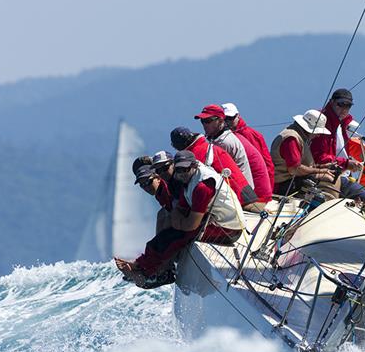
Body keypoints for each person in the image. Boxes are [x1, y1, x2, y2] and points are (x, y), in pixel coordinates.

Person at [115, 151, 246, 287]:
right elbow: (179, 211)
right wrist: (180, 222)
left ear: (194, 165)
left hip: (228, 230)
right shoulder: (185, 180)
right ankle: (140, 267)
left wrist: (180, 223)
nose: (181, 172)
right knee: (166, 236)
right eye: (179, 169)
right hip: (210, 222)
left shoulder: (202, 186)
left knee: (174, 238)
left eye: (185, 169)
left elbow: (189, 225)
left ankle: (147, 272)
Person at [170, 126, 262, 210]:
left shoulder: (194, 156)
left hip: (236, 199)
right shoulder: (207, 147)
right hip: (245, 193)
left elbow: (195, 185)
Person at [271, 109, 336, 196]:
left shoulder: (299, 137)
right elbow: (294, 169)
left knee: (333, 178)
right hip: (282, 184)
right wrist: (320, 171)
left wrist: (322, 167)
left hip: (290, 180)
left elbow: (298, 166)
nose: (318, 135)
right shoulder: (291, 138)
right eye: (317, 132)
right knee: (328, 179)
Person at [310, 88, 364, 175]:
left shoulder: (342, 124)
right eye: (341, 104)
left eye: (348, 106)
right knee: (360, 189)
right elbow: (317, 157)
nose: (344, 109)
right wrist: (346, 163)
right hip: (322, 172)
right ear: (332, 102)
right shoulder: (321, 121)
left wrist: (348, 163)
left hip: (339, 172)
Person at [222, 102, 275, 190]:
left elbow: (260, 164)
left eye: (230, 118)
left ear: (238, 116)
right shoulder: (227, 136)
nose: (227, 122)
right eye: (224, 119)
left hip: (256, 184)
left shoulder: (248, 134)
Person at [344, 120, 365, 189]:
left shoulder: (353, 144)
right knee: (364, 194)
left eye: (348, 128)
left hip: (342, 180)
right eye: (348, 128)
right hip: (338, 180)